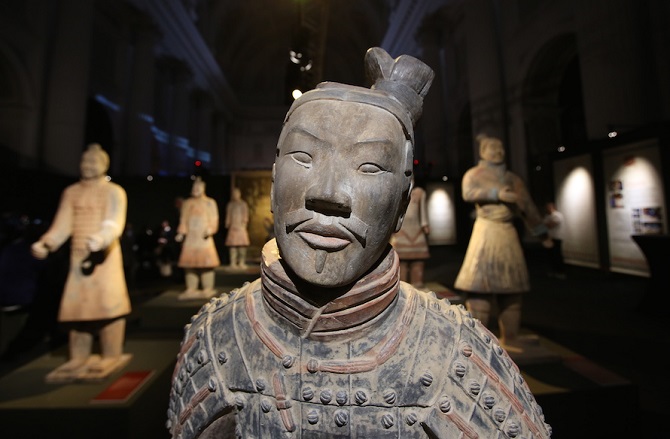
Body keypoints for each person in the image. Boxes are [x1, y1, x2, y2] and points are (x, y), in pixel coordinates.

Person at [166, 48, 551, 439]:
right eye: (304, 157)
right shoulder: (213, 337)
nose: (328, 194)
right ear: (272, 181)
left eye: (369, 167)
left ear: (403, 203)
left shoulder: (455, 351)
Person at [31, 143, 132, 382]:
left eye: (93, 162)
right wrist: (47, 243)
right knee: (77, 309)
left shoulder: (114, 191)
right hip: (78, 257)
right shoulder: (72, 192)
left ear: (104, 165)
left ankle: (111, 353)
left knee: (109, 306)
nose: (88, 166)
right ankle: (78, 356)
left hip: (104, 257)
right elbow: (62, 223)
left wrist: (100, 239)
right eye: (85, 161)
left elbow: (114, 222)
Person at [454, 134, 553, 350]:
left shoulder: (513, 179)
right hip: (486, 232)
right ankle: (477, 338)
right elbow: (468, 193)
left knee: (512, 289)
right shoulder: (474, 174)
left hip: (507, 233)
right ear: (482, 151)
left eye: (500, 148)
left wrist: (542, 234)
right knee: (480, 287)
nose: (498, 152)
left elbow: (528, 207)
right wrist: (496, 193)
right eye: (492, 148)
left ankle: (511, 336)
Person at [175, 177, 221, 300]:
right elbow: (183, 219)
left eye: (198, 187)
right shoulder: (187, 203)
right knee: (189, 265)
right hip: (191, 237)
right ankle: (191, 288)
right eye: (194, 187)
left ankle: (207, 287)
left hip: (204, 238)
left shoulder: (210, 202)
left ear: (203, 188)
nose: (195, 189)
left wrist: (211, 229)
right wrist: (181, 232)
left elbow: (214, 218)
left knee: (206, 264)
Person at [391, 181, 430, 287]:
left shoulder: (419, 193)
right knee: (401, 263)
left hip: (417, 231)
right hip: (401, 232)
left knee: (418, 262)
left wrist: (425, 225)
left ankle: (417, 285)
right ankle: (402, 287)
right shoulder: (397, 191)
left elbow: (423, 212)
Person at [224, 187, 250, 269]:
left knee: (242, 246)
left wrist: (244, 223)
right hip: (232, 227)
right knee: (232, 246)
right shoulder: (230, 205)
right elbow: (228, 215)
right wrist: (227, 223)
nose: (235, 195)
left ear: (239, 194)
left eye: (236, 193)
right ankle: (233, 263)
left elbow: (245, 214)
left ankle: (241, 262)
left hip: (241, 227)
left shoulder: (243, 204)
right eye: (234, 194)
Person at [544, 201, 566, 279]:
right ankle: (553, 271)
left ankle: (560, 272)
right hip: (549, 238)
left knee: (557, 255)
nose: (547, 209)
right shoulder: (547, 216)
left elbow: (550, 225)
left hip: (557, 238)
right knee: (550, 256)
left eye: (548, 207)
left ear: (552, 207)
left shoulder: (557, 215)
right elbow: (545, 225)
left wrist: (544, 225)